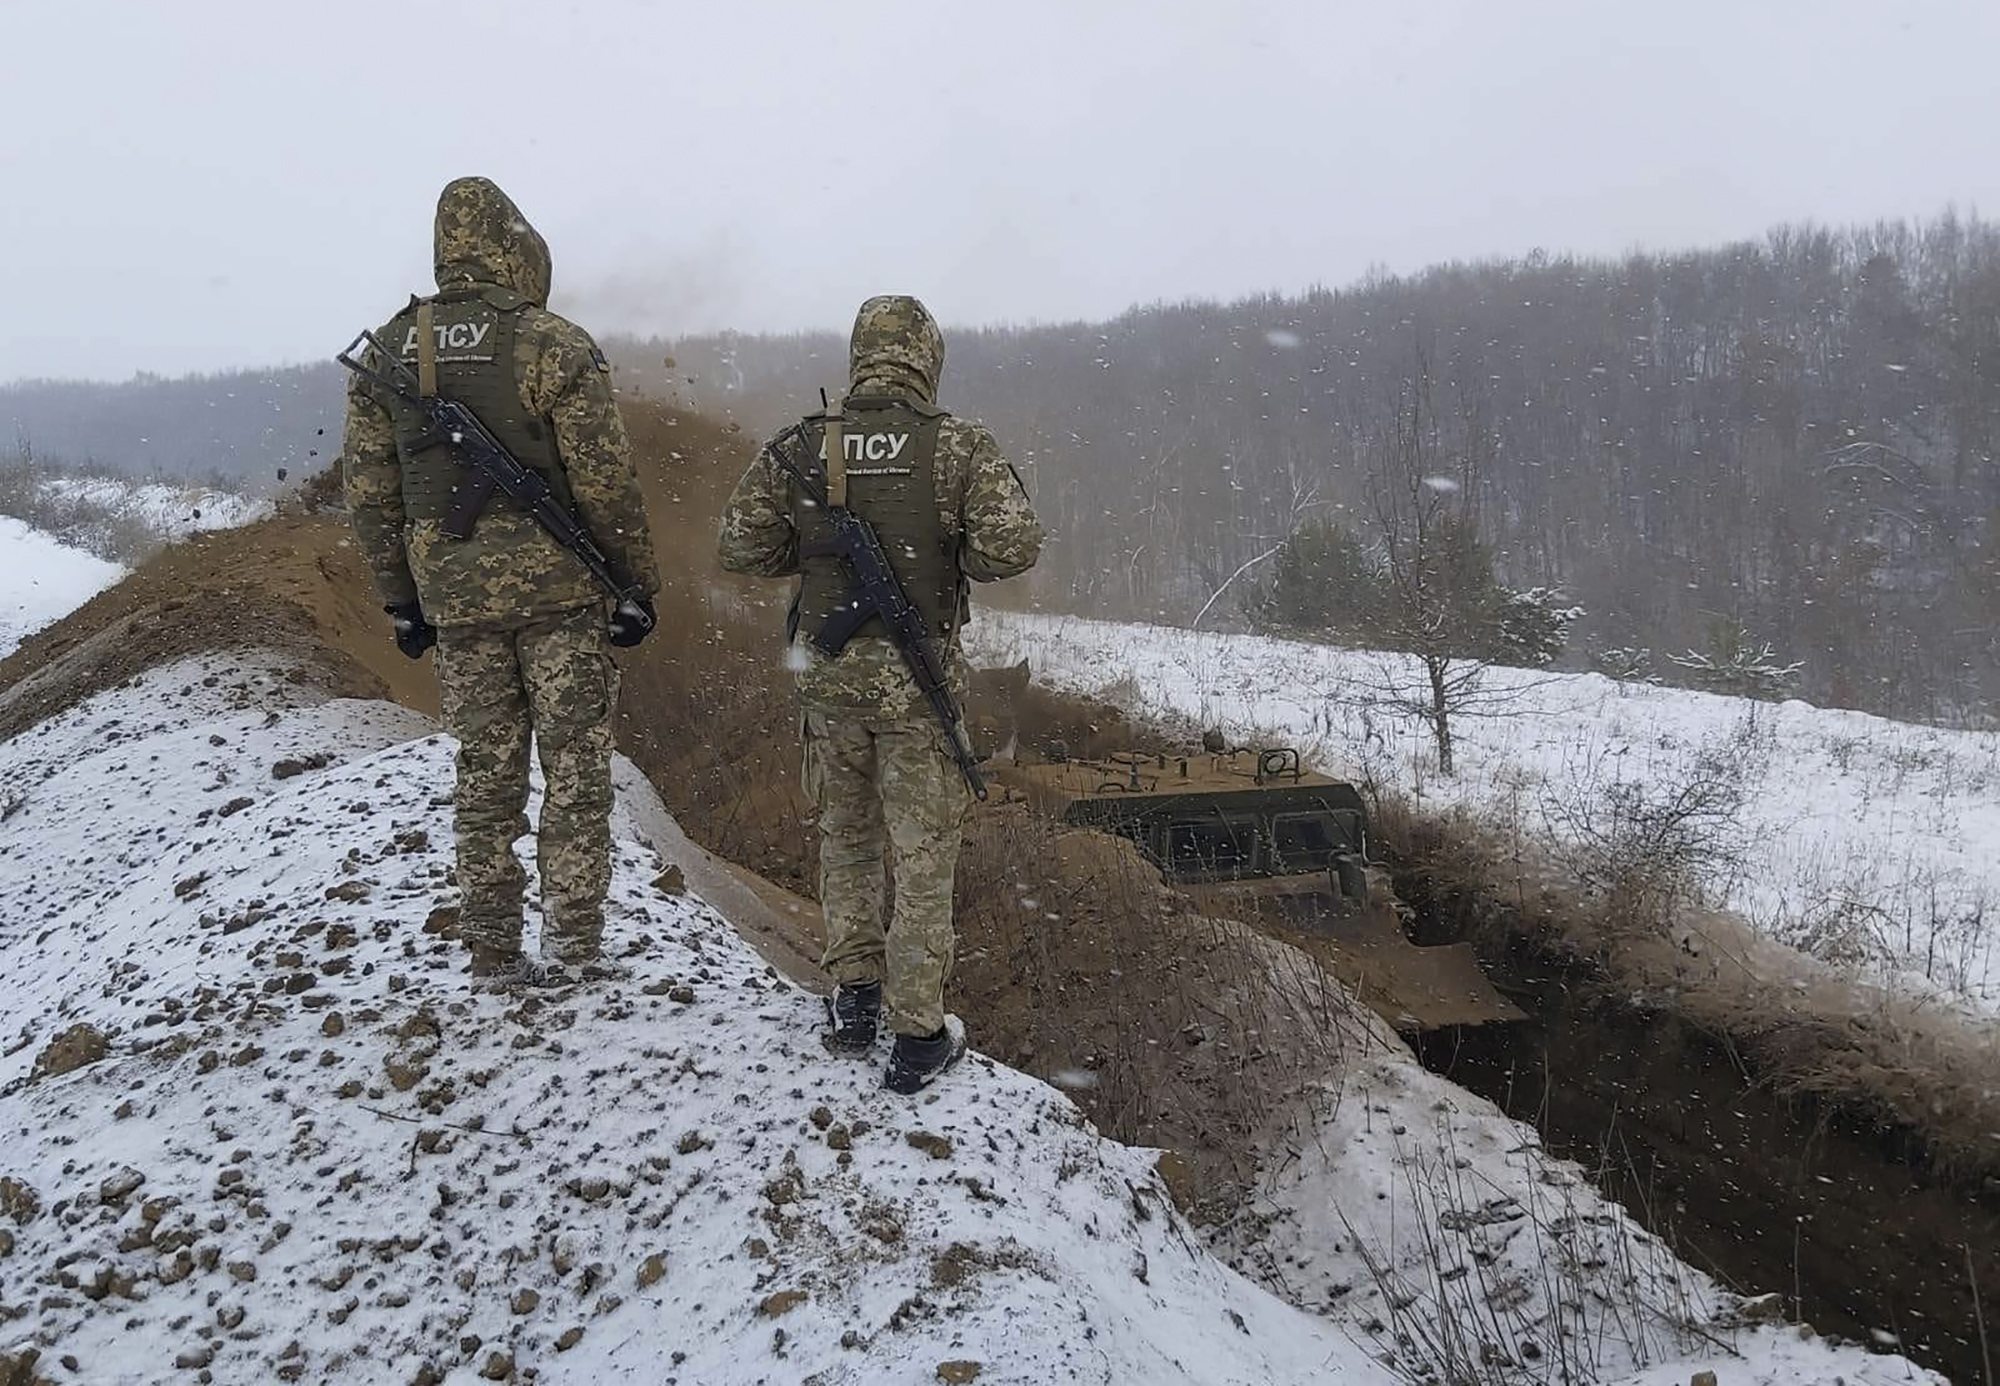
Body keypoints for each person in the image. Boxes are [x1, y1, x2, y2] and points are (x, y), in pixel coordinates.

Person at [717, 295, 1044, 1092]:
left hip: (827, 690)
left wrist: (815, 538)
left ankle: (855, 998)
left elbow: (739, 544)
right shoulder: (956, 447)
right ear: (926, 359)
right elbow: (1013, 547)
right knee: (923, 858)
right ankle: (917, 1034)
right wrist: (947, 540)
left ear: (860, 355)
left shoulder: (807, 446)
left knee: (848, 840)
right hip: (917, 698)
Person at [341, 176, 660, 987]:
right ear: (515, 246)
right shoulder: (551, 342)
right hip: (561, 603)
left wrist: (401, 602)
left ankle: (490, 949)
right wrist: (634, 583)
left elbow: (371, 494)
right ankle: (576, 948)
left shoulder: (391, 352)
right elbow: (606, 482)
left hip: (455, 607)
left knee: (486, 780)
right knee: (577, 778)